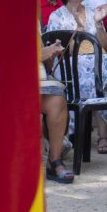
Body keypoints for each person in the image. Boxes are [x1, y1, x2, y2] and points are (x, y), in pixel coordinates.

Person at [46, 0, 107, 154]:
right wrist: (78, 29)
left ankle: (103, 137)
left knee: (105, 76)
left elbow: (105, 45)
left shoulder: (93, 12)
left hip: (96, 61)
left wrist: (99, 25)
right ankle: (74, 135)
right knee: (93, 78)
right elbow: (59, 50)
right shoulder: (57, 16)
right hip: (69, 65)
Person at [39, 38, 74, 183]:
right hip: (5, 82)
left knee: (57, 100)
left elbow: (44, 64)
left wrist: (51, 53)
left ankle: (54, 161)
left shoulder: (32, 22)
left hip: (37, 82)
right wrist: (39, 54)